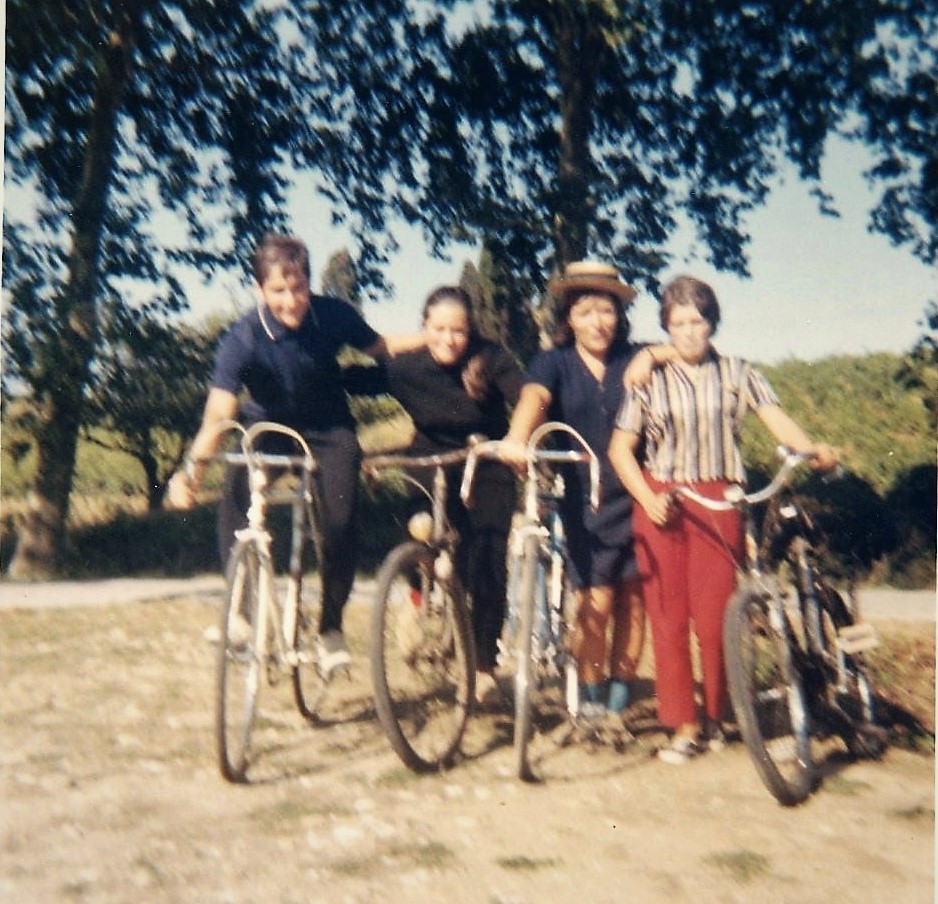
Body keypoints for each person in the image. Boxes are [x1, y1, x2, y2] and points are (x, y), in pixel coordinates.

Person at [167, 233, 424, 674]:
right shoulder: (243, 338)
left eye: (299, 288)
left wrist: (437, 337)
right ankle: (242, 614)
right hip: (268, 426)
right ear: (259, 291)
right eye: (279, 291)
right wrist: (190, 472)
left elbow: (381, 348)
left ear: (309, 282)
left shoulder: (333, 315)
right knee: (237, 486)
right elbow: (218, 413)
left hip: (329, 426)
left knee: (340, 522)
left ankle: (330, 629)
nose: (291, 301)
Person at [608, 275, 839, 763]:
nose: (689, 332)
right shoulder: (647, 377)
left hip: (719, 500)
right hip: (662, 500)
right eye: (679, 323)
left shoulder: (739, 372)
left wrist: (812, 449)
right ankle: (683, 726)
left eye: (698, 321)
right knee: (668, 619)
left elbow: (776, 419)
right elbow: (620, 451)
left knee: (716, 620)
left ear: (713, 323)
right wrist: (648, 497)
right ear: (666, 327)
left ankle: (717, 717)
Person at [499, 261, 672, 723]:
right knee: (595, 601)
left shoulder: (635, 357)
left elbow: (687, 350)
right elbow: (533, 399)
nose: (599, 322)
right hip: (584, 500)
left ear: (620, 316)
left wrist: (654, 357)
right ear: (569, 318)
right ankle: (591, 700)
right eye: (587, 311)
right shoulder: (552, 362)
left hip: (638, 493)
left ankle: (619, 701)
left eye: (608, 311)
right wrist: (518, 439)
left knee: (634, 601)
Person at [344, 286, 523, 705]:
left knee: (486, 564)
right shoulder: (407, 367)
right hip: (429, 456)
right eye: (439, 329)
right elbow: (349, 381)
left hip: (486, 460)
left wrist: (520, 438)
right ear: (423, 328)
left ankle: (483, 669)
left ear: (470, 329)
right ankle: (418, 596)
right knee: (420, 531)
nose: (448, 339)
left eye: (458, 330)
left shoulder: (491, 358)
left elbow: (525, 393)